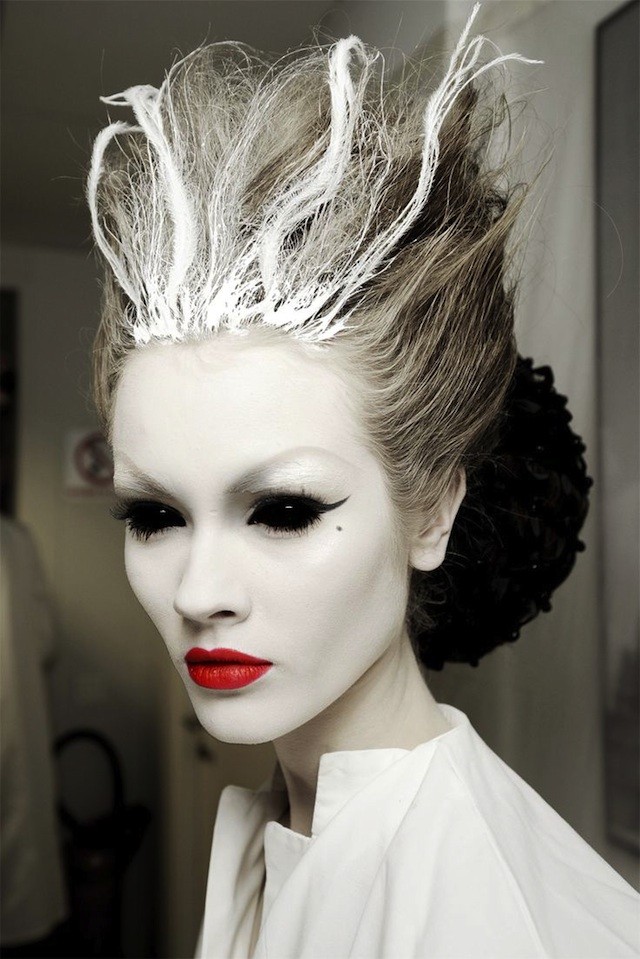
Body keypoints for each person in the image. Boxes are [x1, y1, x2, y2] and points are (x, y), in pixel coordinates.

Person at [87, 6, 640, 957]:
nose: (198, 592)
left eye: (284, 510)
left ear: (432, 511)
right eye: (155, 514)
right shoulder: (279, 822)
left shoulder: (489, 924)